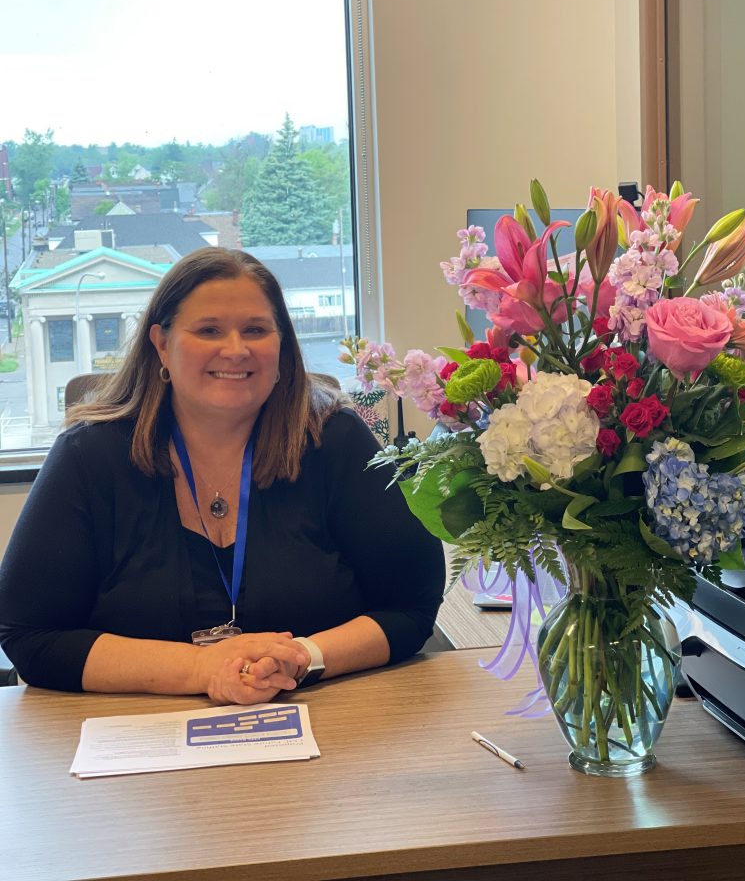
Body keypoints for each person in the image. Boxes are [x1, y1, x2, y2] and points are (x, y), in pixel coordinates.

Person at [0, 248, 445, 704]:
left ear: (282, 345)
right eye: (209, 330)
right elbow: (31, 635)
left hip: (325, 728)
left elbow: (410, 603)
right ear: (161, 344)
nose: (235, 350)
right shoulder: (88, 455)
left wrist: (300, 657)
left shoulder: (334, 439)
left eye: (255, 329)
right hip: (138, 747)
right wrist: (203, 668)